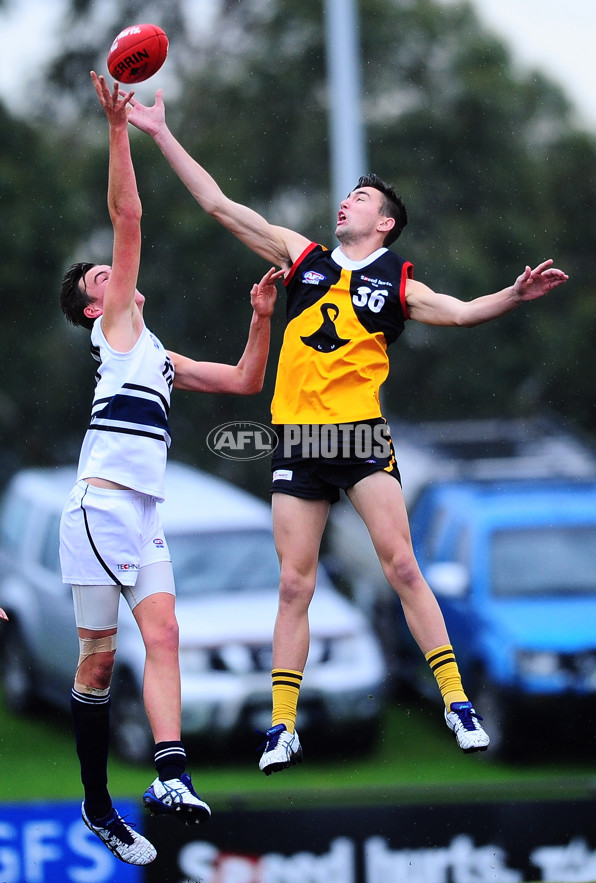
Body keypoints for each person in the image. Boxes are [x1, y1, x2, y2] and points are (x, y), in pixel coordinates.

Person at [125, 89, 569, 775]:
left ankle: (457, 702)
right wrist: (159, 132)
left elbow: (457, 311)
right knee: (294, 586)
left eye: (362, 200)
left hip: (358, 436)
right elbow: (218, 204)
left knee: (401, 565)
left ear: (387, 223)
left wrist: (512, 295)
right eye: (349, 198)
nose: (347, 203)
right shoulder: (303, 259)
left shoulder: (396, 281)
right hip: (300, 439)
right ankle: (282, 726)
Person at [58, 73, 281, 865]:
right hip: (98, 508)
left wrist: (261, 321)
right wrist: (118, 128)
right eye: (98, 279)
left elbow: (245, 382)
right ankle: (95, 802)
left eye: (107, 272)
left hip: (143, 513)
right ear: (95, 307)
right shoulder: (114, 328)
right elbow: (129, 214)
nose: (111, 276)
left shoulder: (154, 354)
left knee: (167, 635)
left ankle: (170, 775)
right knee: (100, 659)